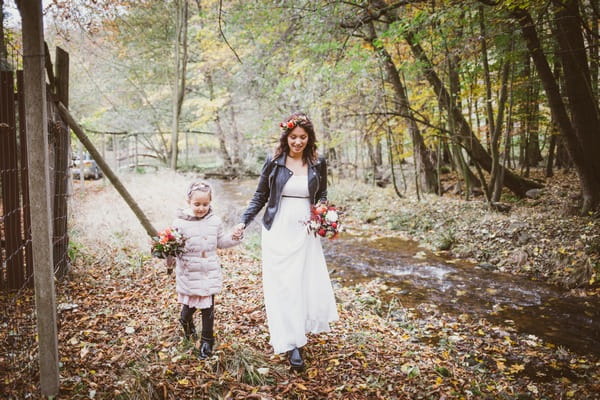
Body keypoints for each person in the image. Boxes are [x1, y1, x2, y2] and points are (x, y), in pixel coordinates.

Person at [233, 112, 339, 371]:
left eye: (303, 137)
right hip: (278, 228)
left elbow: (321, 194)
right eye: (294, 137)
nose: (298, 142)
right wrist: (243, 222)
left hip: (305, 229)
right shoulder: (274, 160)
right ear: (287, 137)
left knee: (301, 283)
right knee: (283, 285)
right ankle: (291, 343)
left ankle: (298, 334)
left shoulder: (318, 162)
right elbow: (260, 195)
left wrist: (324, 215)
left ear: (309, 138)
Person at [167, 181, 241, 359]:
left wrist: (234, 237)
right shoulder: (179, 223)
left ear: (210, 203)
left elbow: (221, 242)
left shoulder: (214, 221)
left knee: (208, 308)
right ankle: (186, 322)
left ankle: (207, 341)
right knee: (189, 306)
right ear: (188, 202)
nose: (201, 208)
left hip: (209, 271)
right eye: (197, 204)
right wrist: (166, 252)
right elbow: (172, 246)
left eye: (205, 204)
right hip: (189, 272)